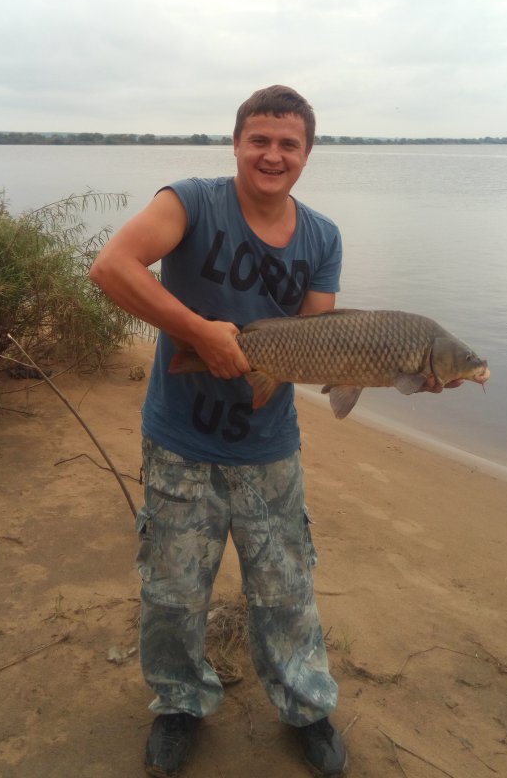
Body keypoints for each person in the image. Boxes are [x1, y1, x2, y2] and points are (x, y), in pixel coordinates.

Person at [90, 85, 348, 777]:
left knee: (286, 590)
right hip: (181, 440)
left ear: (307, 154)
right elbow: (111, 267)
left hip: (269, 445)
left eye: (289, 143)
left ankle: (306, 707)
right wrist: (200, 332)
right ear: (236, 143)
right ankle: (179, 704)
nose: (273, 155)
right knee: (172, 591)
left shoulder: (322, 237)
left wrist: (407, 369)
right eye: (259, 139)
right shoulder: (190, 202)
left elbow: (317, 343)